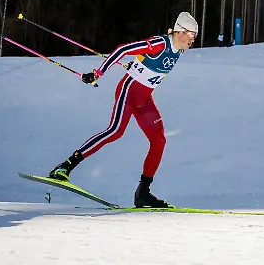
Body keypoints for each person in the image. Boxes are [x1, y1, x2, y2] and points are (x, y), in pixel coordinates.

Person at [48, 11, 198, 208]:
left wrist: (139, 64)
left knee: (159, 140)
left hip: (144, 99)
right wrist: (98, 73)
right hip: (128, 91)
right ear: (181, 31)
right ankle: (64, 167)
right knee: (115, 131)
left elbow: (149, 63)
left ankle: (143, 192)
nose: (193, 40)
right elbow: (123, 49)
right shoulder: (160, 44)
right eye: (191, 35)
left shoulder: (178, 50)